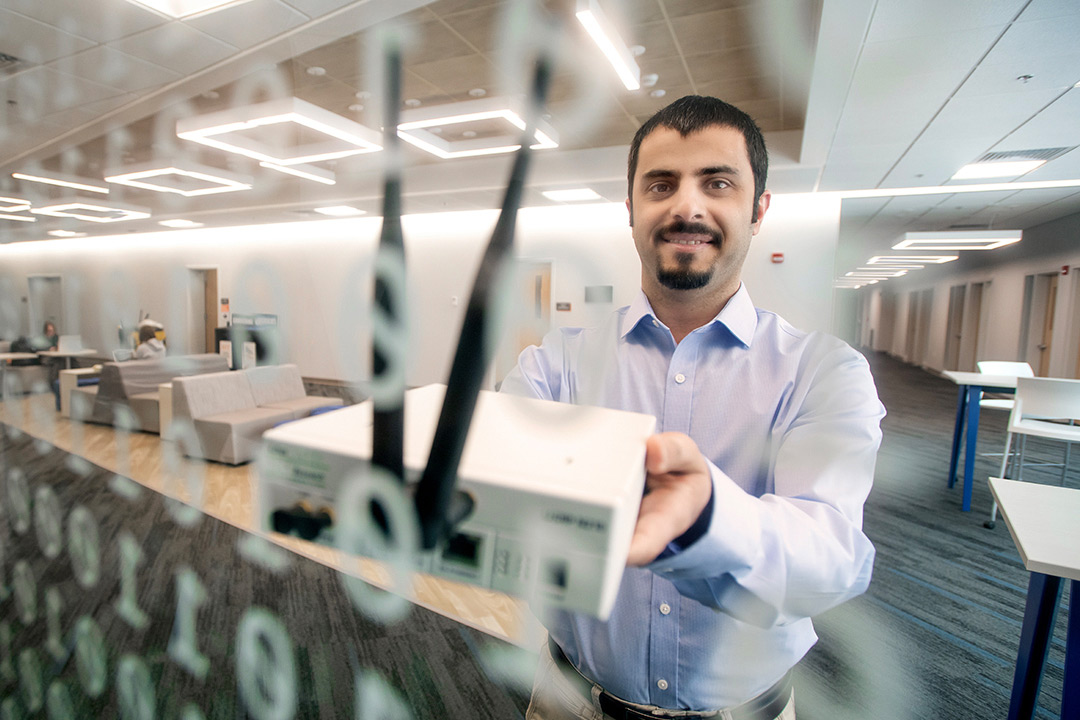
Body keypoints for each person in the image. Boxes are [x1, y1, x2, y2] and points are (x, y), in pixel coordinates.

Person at [500, 96, 885, 720]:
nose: (686, 206)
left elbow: (830, 561)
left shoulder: (823, 374)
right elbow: (499, 491)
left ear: (758, 209)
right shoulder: (556, 365)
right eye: (661, 184)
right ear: (631, 212)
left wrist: (708, 517)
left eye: (717, 182)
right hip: (568, 700)